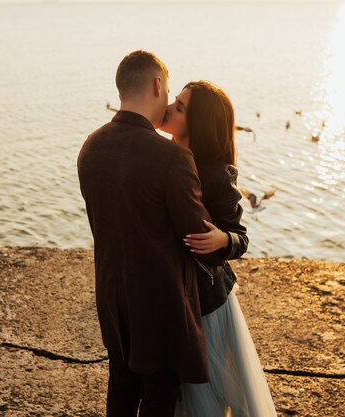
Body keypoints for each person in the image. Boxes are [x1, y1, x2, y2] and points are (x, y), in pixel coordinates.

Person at [77, 51, 226, 417]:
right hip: (159, 309)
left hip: (112, 298)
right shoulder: (171, 158)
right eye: (170, 90)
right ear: (157, 85)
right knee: (159, 400)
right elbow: (200, 241)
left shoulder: (90, 146)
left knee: (121, 388)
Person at [161, 81, 277, 417]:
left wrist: (223, 240)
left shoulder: (215, 174)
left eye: (180, 107)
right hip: (175, 298)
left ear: (199, 124)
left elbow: (240, 236)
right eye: (175, 100)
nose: (169, 107)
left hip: (208, 305)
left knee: (207, 399)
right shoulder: (162, 155)